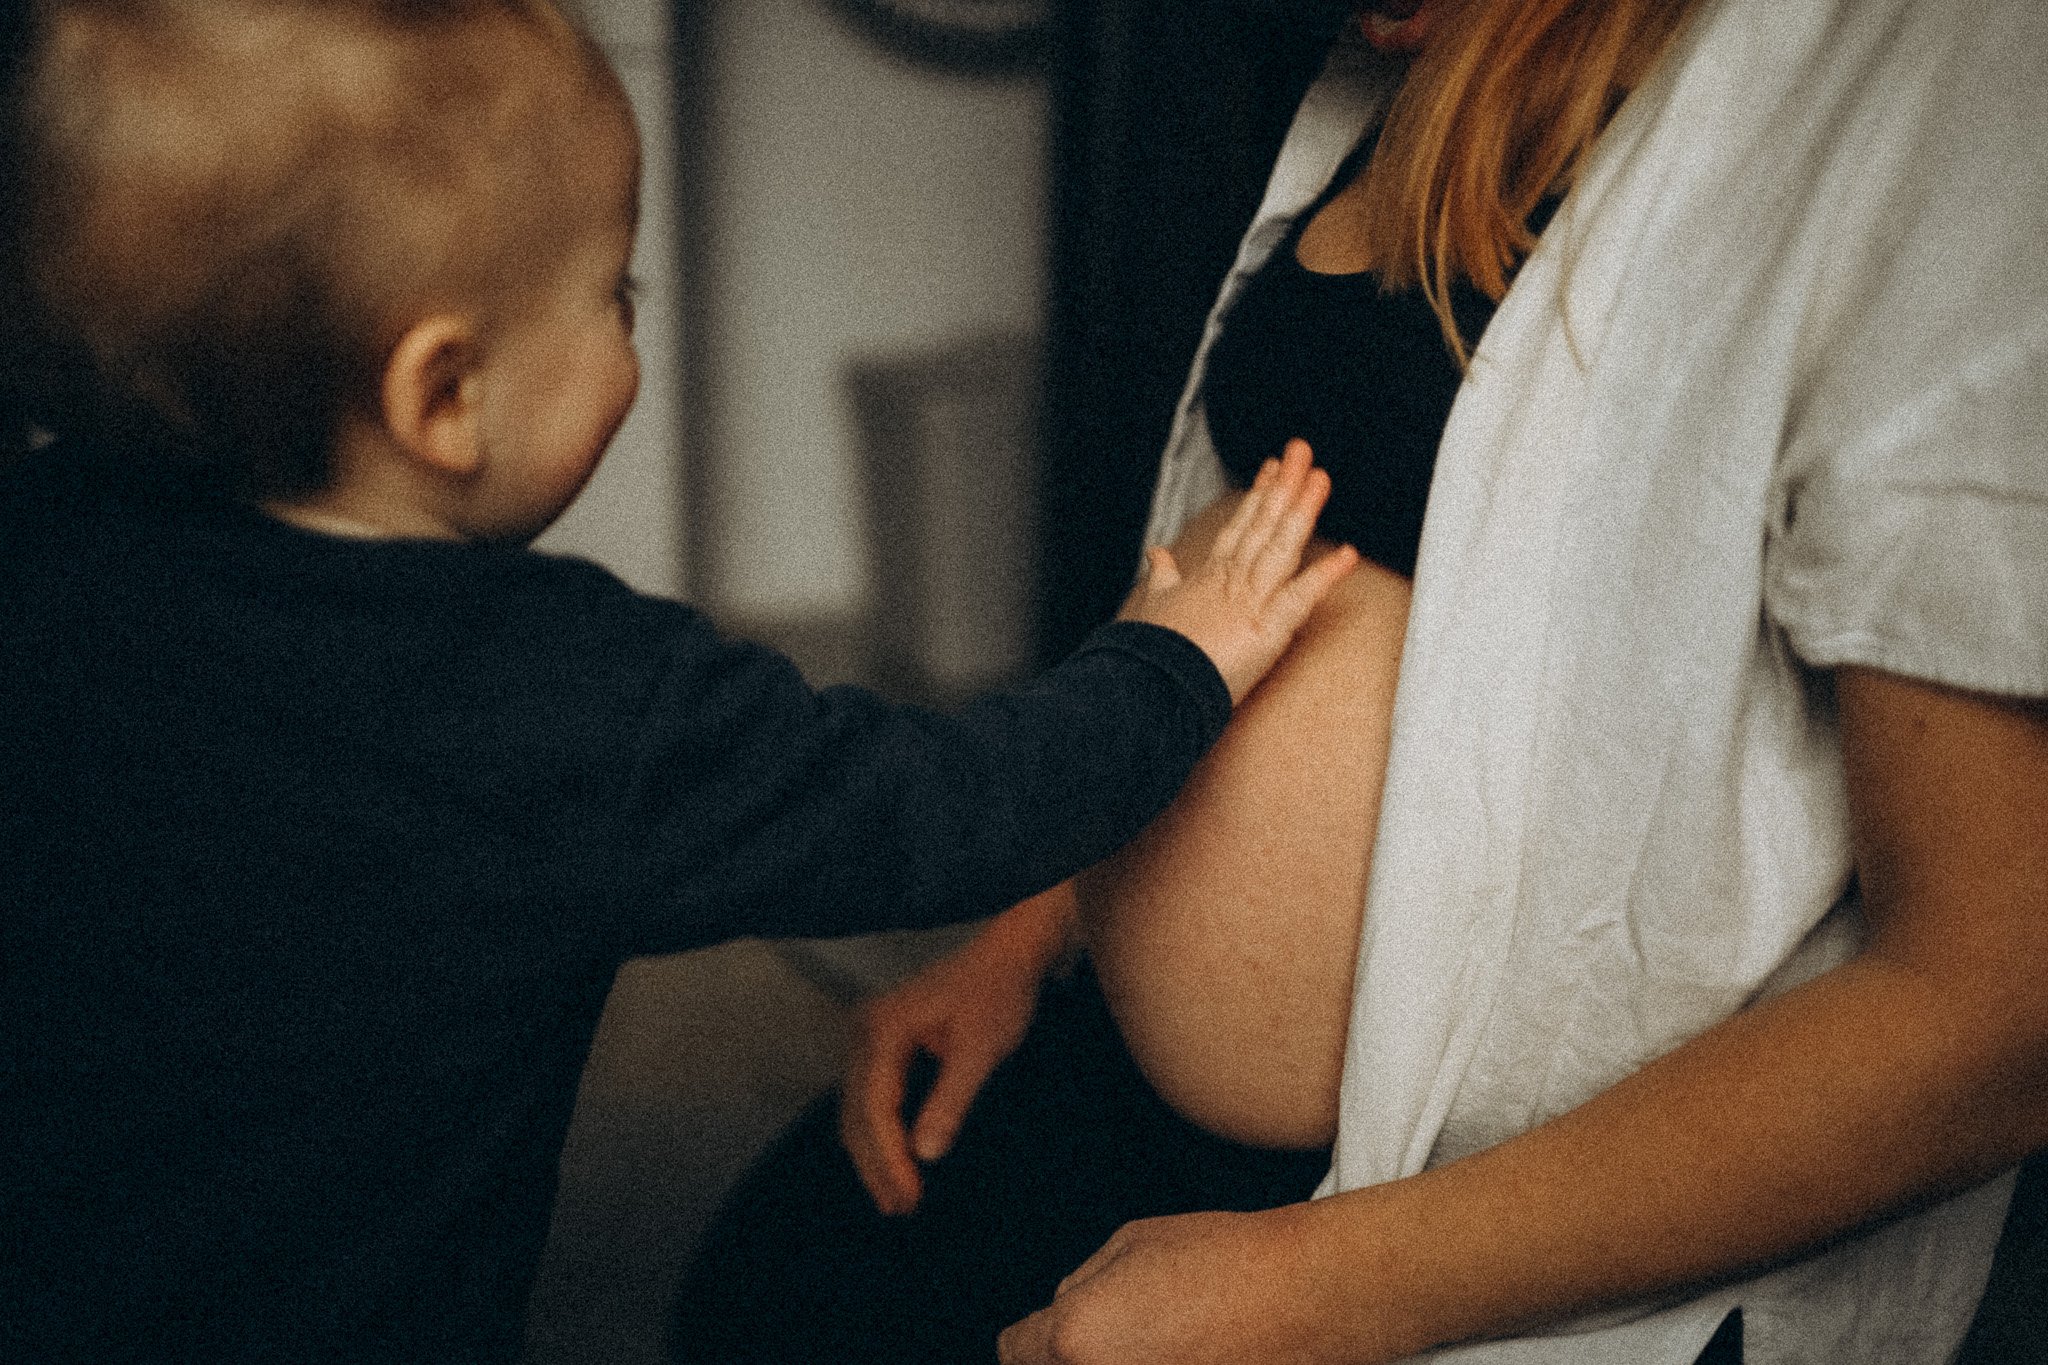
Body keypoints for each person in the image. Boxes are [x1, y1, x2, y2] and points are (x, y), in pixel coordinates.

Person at [683, 0, 2048, 1362]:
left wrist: (1309, 1290)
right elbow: (1264, 543)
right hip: (1141, 1045)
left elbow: (1996, 1018)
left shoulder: (1947, 88)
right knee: (767, 1291)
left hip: (1490, 1212)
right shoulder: (1419, 63)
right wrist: (1031, 924)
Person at [0, 2, 1360, 1360]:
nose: (627, 331)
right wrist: (1174, 659)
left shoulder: (45, 550)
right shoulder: (572, 703)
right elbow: (939, 807)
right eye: (614, 295)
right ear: (444, 396)